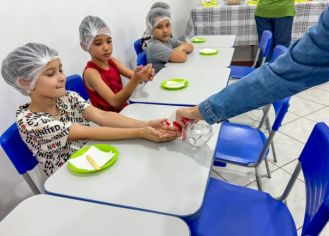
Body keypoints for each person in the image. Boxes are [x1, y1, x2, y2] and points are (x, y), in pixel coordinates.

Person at [1, 43, 177, 177]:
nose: (62, 77)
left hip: (96, 159)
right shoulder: (31, 122)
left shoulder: (65, 96)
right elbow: (88, 132)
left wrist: (146, 124)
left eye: (60, 70)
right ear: (25, 82)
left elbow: (101, 115)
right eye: (50, 74)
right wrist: (140, 132)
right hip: (69, 178)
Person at [176, 0, 329, 124]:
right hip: (281, 11)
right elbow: (285, 72)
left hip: (264, 11)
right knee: (280, 49)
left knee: (274, 51)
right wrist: (204, 111)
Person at [79, 16, 154, 112]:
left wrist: (144, 75)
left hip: (124, 111)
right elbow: (114, 101)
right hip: (110, 121)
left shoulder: (112, 61)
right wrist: (136, 79)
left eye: (109, 41)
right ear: (85, 46)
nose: (106, 47)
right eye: (98, 43)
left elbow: (135, 77)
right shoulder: (91, 73)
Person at [146, 7, 193, 73]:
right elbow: (182, 57)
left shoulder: (168, 40)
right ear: (151, 30)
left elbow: (190, 46)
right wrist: (181, 50)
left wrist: (179, 49)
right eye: (159, 27)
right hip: (161, 80)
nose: (165, 30)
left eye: (167, 25)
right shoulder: (154, 46)